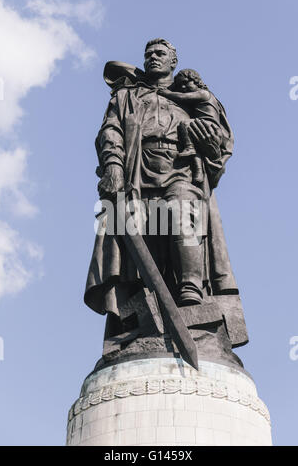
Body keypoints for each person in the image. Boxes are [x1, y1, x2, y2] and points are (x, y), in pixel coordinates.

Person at [84, 39, 239, 332]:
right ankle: (143, 310)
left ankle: (190, 290)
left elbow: (219, 141)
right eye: (148, 55)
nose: (152, 58)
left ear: (173, 62)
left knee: (183, 213)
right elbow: (110, 132)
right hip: (137, 171)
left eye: (160, 54)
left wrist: (210, 147)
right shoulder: (126, 97)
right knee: (140, 233)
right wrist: (114, 166)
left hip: (180, 167)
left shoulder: (191, 97)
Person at [158, 68, 223, 185]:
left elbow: (183, 97)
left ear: (196, 81)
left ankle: (189, 147)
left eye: (185, 83)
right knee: (196, 149)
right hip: (203, 126)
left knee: (184, 123)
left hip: (209, 127)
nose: (183, 88)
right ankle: (198, 172)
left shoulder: (204, 94)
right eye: (180, 85)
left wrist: (167, 93)